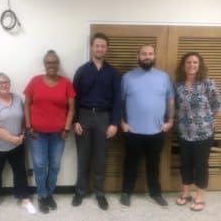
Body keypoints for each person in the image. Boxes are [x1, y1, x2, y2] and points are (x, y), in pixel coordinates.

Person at [72, 32, 121, 210]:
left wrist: (114, 123)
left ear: (106, 49)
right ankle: (80, 192)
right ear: (92, 47)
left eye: (103, 46)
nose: (100, 48)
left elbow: (118, 100)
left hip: (104, 118)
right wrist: (75, 120)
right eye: (97, 45)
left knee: (100, 158)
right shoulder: (82, 70)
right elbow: (73, 98)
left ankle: (100, 193)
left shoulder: (113, 73)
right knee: (83, 157)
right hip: (84, 116)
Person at [120, 44, 174, 207]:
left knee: (154, 165)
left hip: (156, 131)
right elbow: (120, 102)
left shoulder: (163, 77)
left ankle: (155, 193)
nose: (147, 57)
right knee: (130, 164)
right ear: (138, 56)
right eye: (144, 54)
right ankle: (126, 192)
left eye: (150, 54)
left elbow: (170, 99)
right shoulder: (127, 77)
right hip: (133, 131)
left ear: (154, 56)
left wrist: (170, 121)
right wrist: (122, 122)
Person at [24, 50, 75, 214]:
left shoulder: (66, 83)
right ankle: (42, 195)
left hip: (58, 133)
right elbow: (26, 105)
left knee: (54, 166)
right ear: (44, 64)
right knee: (39, 165)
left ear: (58, 64)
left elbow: (72, 108)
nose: (51, 65)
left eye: (54, 62)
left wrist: (67, 128)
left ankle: (49, 193)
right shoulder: (35, 81)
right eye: (48, 62)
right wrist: (28, 125)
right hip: (36, 133)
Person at [0, 72, 36, 214]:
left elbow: (24, 119)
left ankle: (24, 199)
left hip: (18, 143)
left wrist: (22, 135)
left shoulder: (18, 99)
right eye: (0, 83)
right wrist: (12, 139)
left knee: (20, 172)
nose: (4, 85)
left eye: (6, 82)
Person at [174, 52, 221, 211]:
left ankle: (200, 196)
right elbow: (174, 107)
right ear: (183, 65)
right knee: (185, 164)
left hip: (204, 133)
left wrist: (204, 121)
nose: (191, 65)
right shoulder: (178, 85)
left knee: (201, 165)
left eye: (195, 62)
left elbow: (216, 106)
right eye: (188, 62)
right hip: (183, 132)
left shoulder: (208, 84)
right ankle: (186, 193)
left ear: (199, 65)